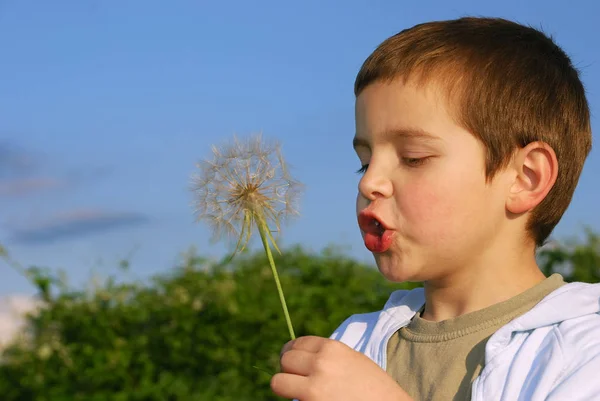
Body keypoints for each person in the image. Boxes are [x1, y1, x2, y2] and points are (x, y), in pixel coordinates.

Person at [269, 17, 599, 401]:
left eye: (413, 158)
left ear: (525, 177)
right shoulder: (351, 344)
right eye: (365, 160)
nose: (368, 182)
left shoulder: (580, 351)